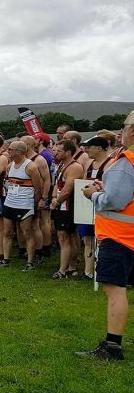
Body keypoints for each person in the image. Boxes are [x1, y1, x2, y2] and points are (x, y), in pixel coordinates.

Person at [75, 112, 134, 360]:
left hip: (119, 236)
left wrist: (93, 194)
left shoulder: (126, 160)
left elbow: (115, 201)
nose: (121, 132)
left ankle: (112, 346)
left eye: (124, 127)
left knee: (114, 289)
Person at [0, 141, 43, 271]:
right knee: (7, 232)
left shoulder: (31, 167)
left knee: (27, 233)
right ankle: (6, 259)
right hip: (10, 202)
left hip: (24, 204)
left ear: (19, 152)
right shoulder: (10, 165)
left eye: (10, 149)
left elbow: (38, 188)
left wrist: (32, 203)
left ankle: (30, 262)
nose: (8, 151)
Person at [75, 136, 114, 280]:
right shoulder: (88, 163)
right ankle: (88, 272)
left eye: (89, 147)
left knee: (102, 240)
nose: (86, 150)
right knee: (88, 239)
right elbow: (84, 182)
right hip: (87, 207)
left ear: (99, 148)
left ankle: (102, 270)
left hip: (102, 207)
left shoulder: (111, 164)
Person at [50, 139, 84, 279]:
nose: (56, 153)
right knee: (66, 236)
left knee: (66, 237)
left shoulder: (75, 167)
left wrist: (57, 202)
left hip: (68, 206)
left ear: (68, 152)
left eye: (59, 151)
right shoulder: (62, 165)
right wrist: (54, 197)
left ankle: (64, 270)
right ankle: (71, 266)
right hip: (60, 205)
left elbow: (67, 189)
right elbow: (57, 185)